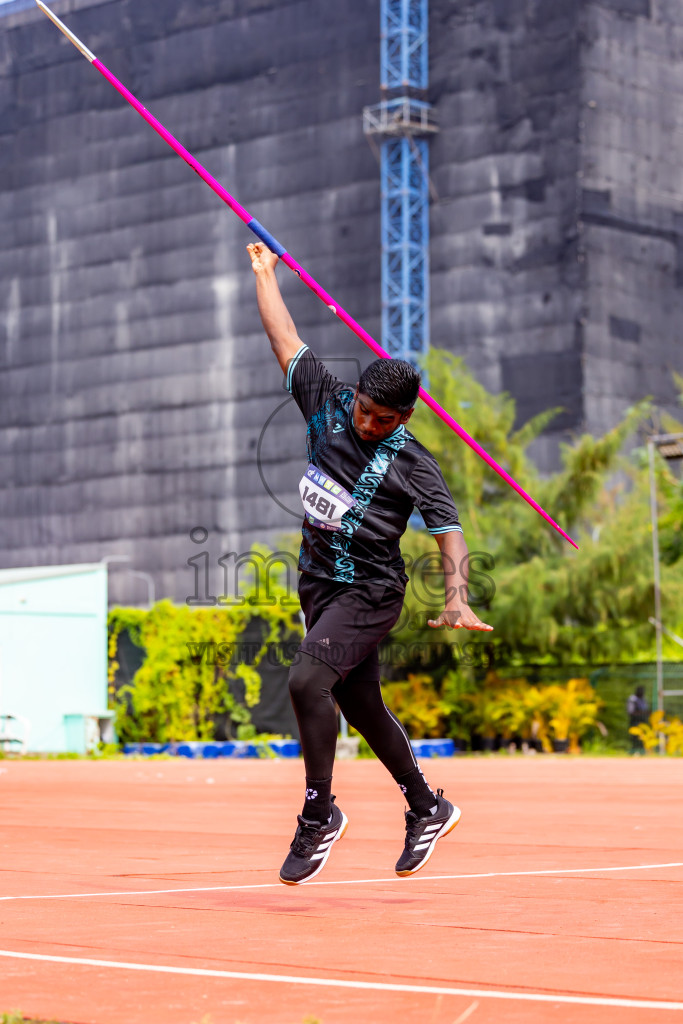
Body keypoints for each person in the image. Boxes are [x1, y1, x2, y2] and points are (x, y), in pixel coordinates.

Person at [247, 242, 493, 886]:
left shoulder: (413, 460)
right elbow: (285, 338)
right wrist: (265, 275)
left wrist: (457, 596)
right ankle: (427, 805)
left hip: (373, 592)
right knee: (358, 702)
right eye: (363, 410)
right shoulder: (328, 402)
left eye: (383, 420)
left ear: (405, 417)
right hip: (319, 585)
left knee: (305, 683)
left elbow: (449, 533)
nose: (366, 423)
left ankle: (318, 813)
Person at [627, 685, 649, 754]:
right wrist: (642, 713)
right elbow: (631, 712)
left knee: (643, 737)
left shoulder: (643, 699)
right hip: (635, 721)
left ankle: (642, 751)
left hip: (643, 721)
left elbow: (646, 710)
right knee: (635, 737)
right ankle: (634, 751)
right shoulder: (633, 699)